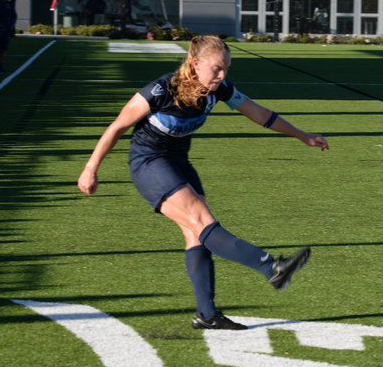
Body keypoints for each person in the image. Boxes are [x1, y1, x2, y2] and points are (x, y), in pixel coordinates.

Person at [77, 36, 329, 330]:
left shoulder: (219, 89)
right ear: (195, 64)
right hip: (149, 163)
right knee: (201, 220)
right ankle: (271, 267)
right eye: (217, 68)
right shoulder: (162, 89)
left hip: (179, 162)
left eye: (226, 69)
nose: (222, 75)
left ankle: (207, 315)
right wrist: (90, 169)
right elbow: (117, 127)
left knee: (197, 234)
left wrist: (302, 135)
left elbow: (258, 113)